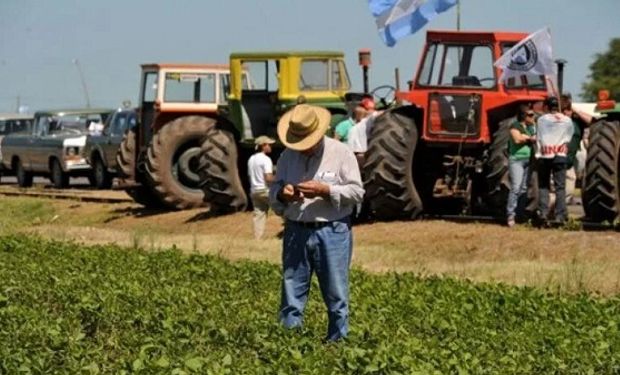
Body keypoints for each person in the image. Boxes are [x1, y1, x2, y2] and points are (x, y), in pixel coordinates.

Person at [269, 104, 364, 341]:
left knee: (336, 293)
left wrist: (325, 190)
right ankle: (289, 343)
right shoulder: (286, 156)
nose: (301, 148)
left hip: (332, 230)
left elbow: (356, 192)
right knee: (292, 291)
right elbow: (275, 191)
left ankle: (337, 342)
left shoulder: (342, 153)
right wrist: (283, 193)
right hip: (295, 230)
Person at [535, 96, 574, 224]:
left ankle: (543, 213)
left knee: (544, 186)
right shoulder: (567, 120)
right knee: (560, 187)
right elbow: (568, 137)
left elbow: (539, 136)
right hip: (560, 155)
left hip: (545, 155)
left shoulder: (541, 120)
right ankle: (560, 215)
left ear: (547, 106)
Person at [506, 104, 536, 227]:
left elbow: (536, 137)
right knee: (516, 187)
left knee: (524, 188)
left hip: (528, 160)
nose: (533, 117)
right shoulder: (514, 126)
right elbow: (517, 139)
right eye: (530, 115)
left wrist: (527, 136)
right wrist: (529, 138)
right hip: (517, 159)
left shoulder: (530, 127)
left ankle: (520, 213)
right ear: (524, 116)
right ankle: (510, 214)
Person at [247, 135, 276, 239]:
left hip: (254, 191)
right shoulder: (266, 159)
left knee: (259, 215)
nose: (271, 146)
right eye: (269, 144)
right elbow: (268, 178)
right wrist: (279, 179)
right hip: (265, 190)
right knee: (284, 210)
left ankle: (257, 238)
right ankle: (287, 234)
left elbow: (250, 175)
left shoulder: (251, 159)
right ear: (263, 145)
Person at [347, 97, 377, 167]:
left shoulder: (353, 129)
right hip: (369, 155)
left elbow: (350, 149)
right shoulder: (369, 121)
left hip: (358, 156)